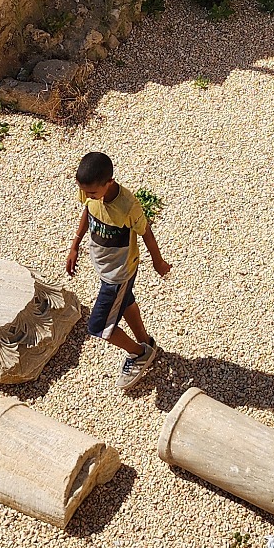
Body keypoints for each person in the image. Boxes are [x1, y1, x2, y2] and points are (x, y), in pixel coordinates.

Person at [65, 150, 168, 389]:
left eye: (92, 192)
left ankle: (139, 353)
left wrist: (158, 261)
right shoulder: (90, 193)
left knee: (98, 326)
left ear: (109, 183)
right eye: (84, 191)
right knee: (126, 301)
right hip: (105, 267)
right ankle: (146, 342)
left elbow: (146, 233)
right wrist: (75, 245)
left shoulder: (127, 205)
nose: (87, 196)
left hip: (119, 274)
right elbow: (88, 210)